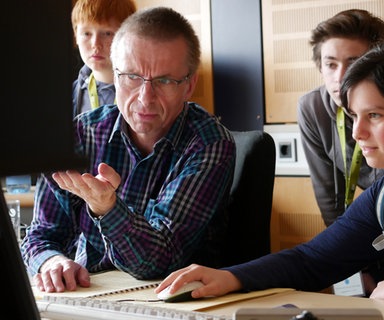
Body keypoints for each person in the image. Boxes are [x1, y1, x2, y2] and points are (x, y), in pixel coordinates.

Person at [155, 39, 384, 303]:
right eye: (354, 116)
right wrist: (230, 276)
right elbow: (312, 260)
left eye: (374, 115)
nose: (357, 133)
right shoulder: (383, 195)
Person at [21, 7, 236, 293]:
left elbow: (158, 261)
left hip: (170, 303)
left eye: (164, 81)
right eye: (132, 77)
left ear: (189, 85)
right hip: (87, 296)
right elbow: (40, 235)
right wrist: (52, 262)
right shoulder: (81, 133)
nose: (145, 98)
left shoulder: (209, 144)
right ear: (115, 74)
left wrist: (107, 208)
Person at [298, 9, 384, 228]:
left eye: (354, 63)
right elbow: (330, 199)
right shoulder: (313, 108)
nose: (340, 78)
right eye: (331, 65)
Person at [71, 0, 137, 117]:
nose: (95, 44)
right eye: (87, 34)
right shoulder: (71, 93)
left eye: (107, 33)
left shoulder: (141, 92)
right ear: (76, 36)